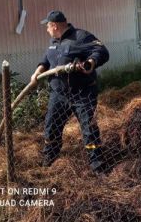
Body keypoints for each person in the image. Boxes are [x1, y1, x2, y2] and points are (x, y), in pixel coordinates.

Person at [31, 10, 109, 173]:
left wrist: (90, 62)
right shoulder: (54, 42)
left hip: (82, 93)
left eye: (47, 26)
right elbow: (46, 60)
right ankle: (49, 159)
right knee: (51, 127)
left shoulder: (81, 37)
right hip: (58, 95)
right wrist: (38, 71)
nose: (46, 29)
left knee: (89, 129)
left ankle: (97, 166)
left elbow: (101, 51)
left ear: (54, 26)